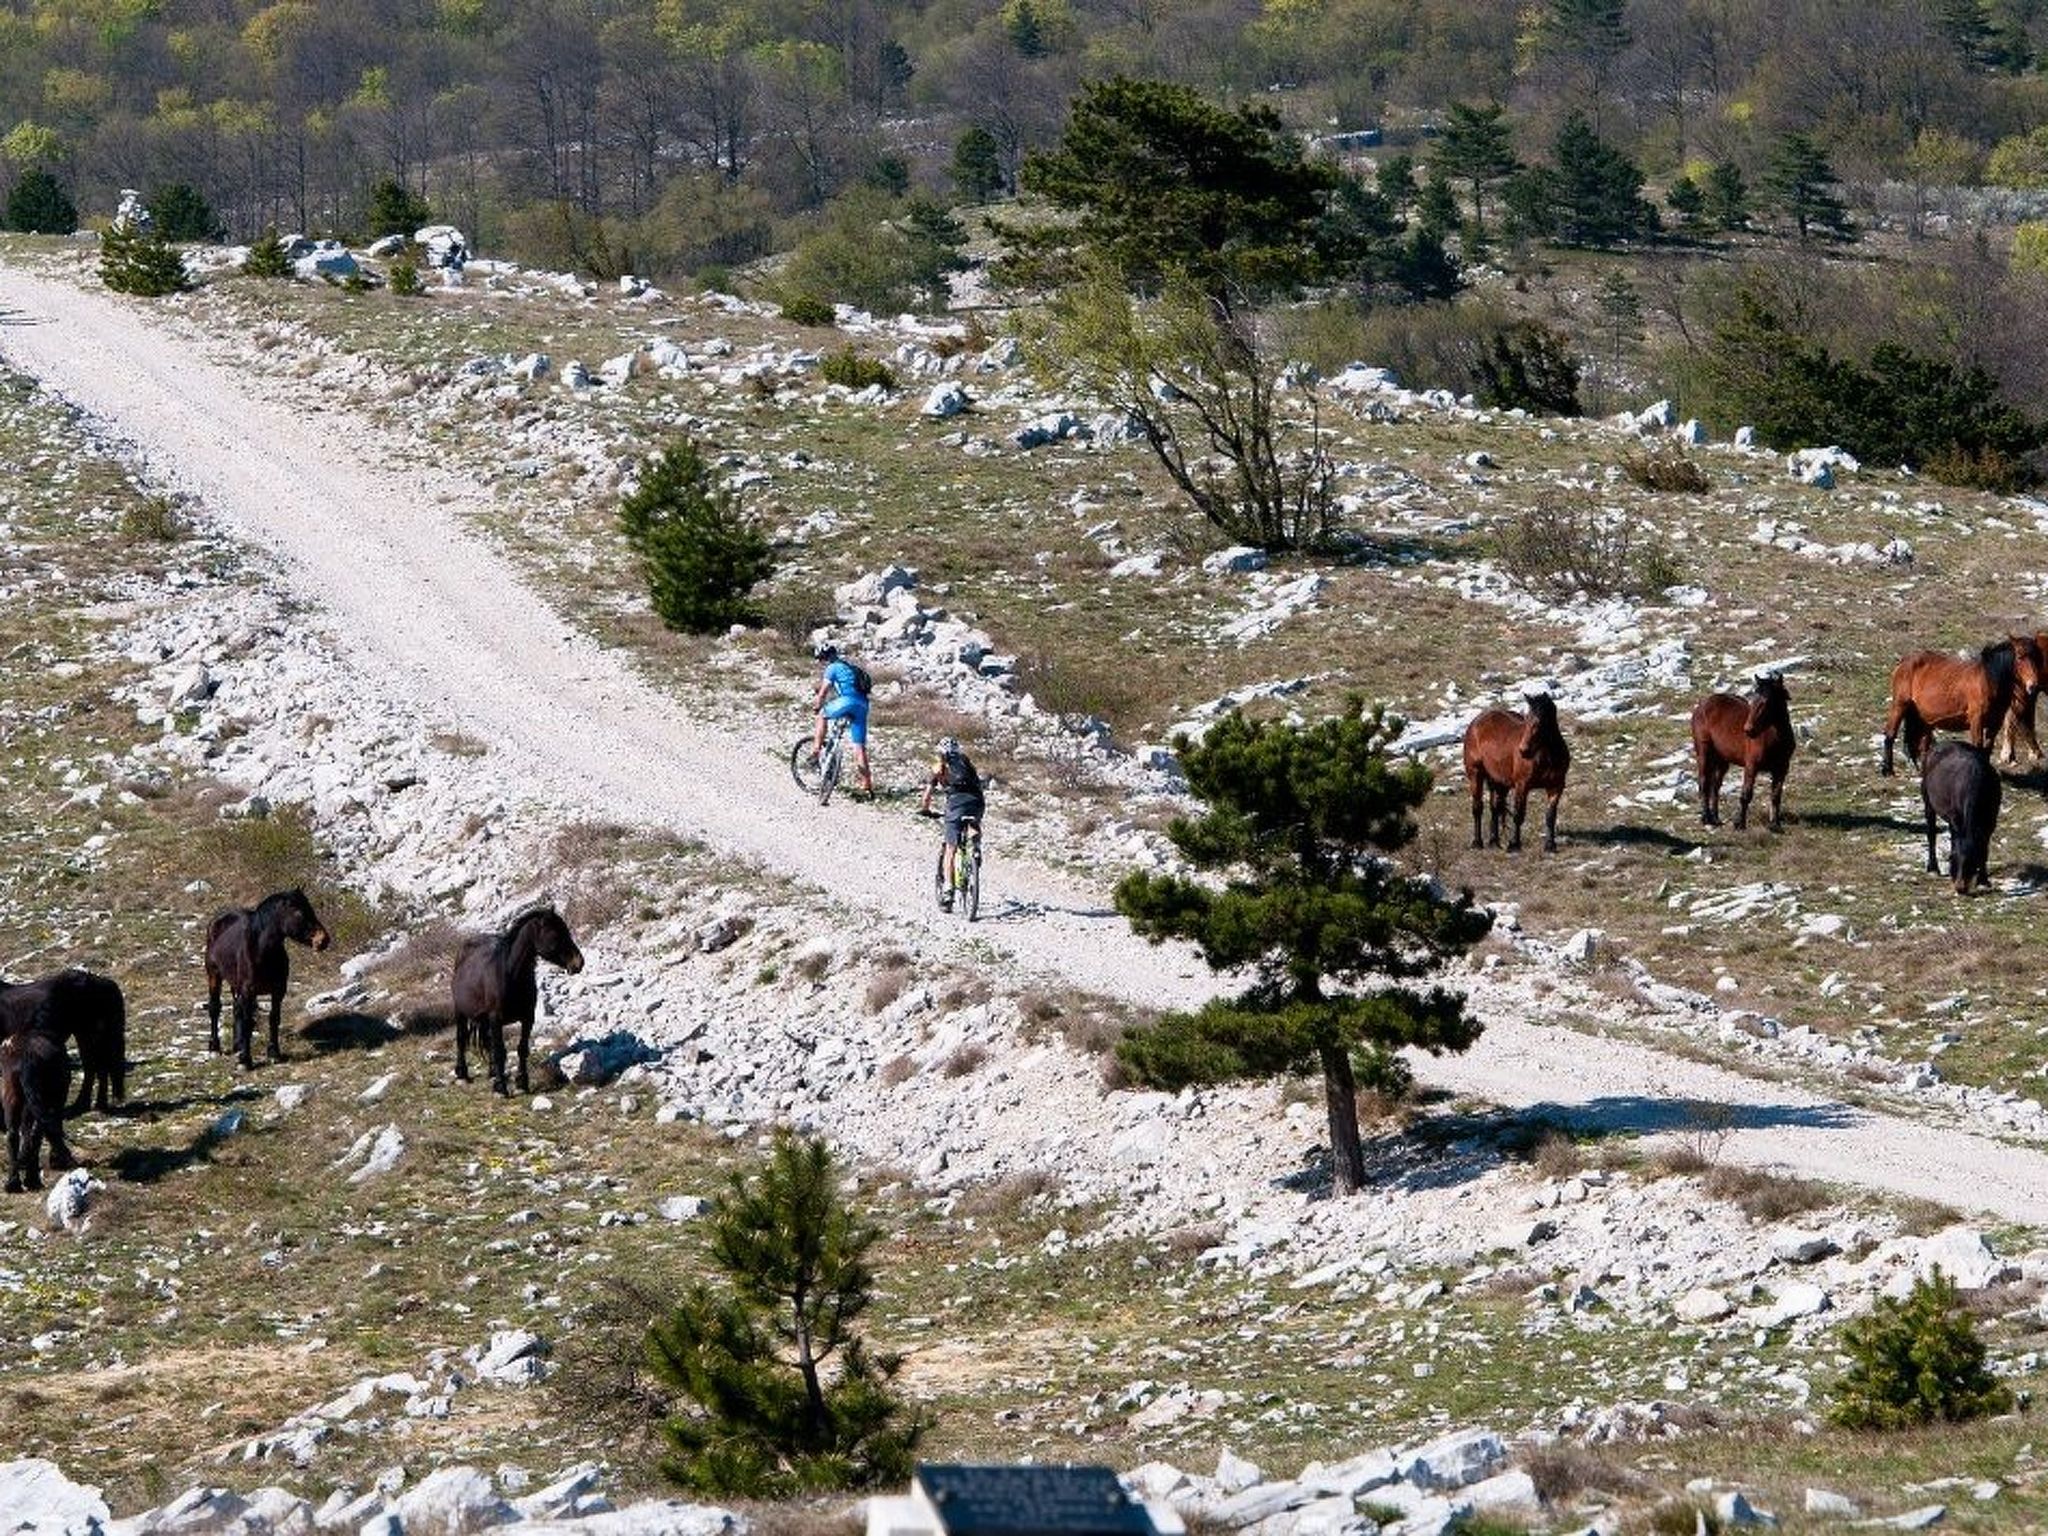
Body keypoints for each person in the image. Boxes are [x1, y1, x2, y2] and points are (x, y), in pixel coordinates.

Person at [920, 736, 985, 909]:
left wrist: (925, 810)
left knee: (950, 848)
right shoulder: (967, 763)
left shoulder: (939, 767)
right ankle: (976, 847)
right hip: (977, 802)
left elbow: (927, 796)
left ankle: (948, 890)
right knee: (972, 821)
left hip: (956, 804)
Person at [810, 643, 874, 796]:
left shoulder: (832, 668)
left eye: (821, 659)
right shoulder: (848, 666)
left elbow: (823, 692)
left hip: (847, 701)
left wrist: (817, 706)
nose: (821, 663)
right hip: (863, 705)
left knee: (822, 715)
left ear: (825, 658)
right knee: (859, 748)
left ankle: (816, 751)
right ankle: (867, 785)